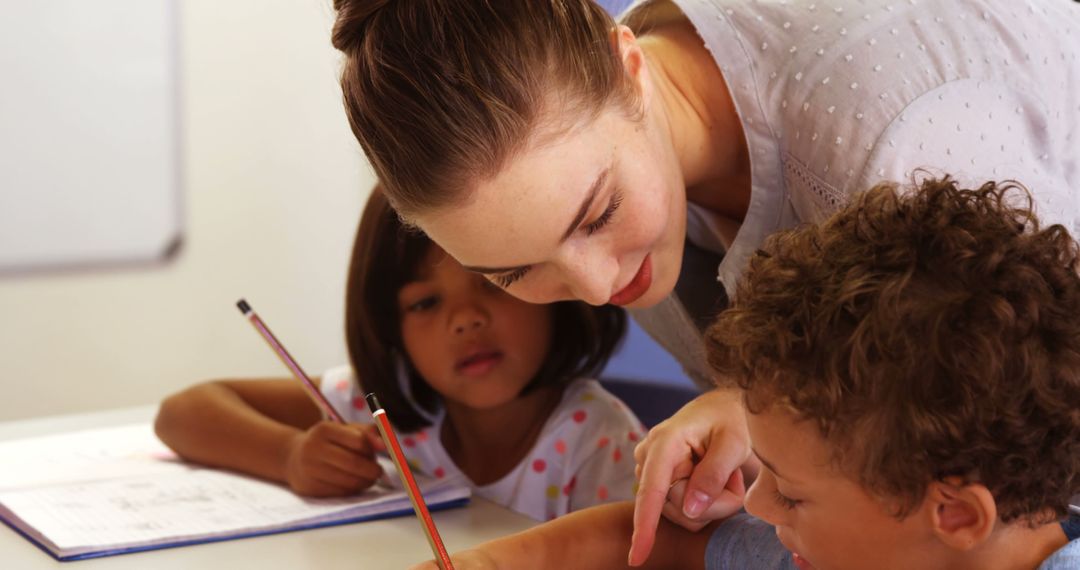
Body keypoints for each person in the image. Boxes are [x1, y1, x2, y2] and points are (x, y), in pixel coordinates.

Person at [327, 0, 1080, 560]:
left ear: (632, 70)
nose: (594, 288)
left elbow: (1029, 429)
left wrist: (761, 406)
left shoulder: (906, 128)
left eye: (597, 214)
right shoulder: (628, 186)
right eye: (515, 271)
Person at [408, 176, 1080, 569]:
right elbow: (654, 543)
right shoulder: (865, 543)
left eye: (790, 495)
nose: (754, 504)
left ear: (956, 514)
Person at [155, 189, 644, 521]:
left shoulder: (601, 443)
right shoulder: (390, 408)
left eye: (494, 283)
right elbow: (183, 413)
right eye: (425, 303)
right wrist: (289, 456)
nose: (465, 319)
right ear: (391, 329)